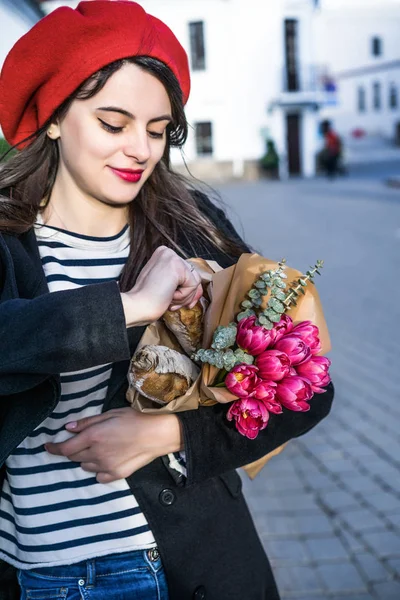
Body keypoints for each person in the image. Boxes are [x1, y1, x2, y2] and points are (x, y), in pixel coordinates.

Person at [0, 2, 334, 598]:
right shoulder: (8, 240)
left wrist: (172, 434)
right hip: (35, 575)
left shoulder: (191, 229)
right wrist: (128, 306)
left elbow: (307, 384)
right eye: (113, 122)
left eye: (156, 131)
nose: (140, 150)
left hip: (186, 564)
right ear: (53, 117)